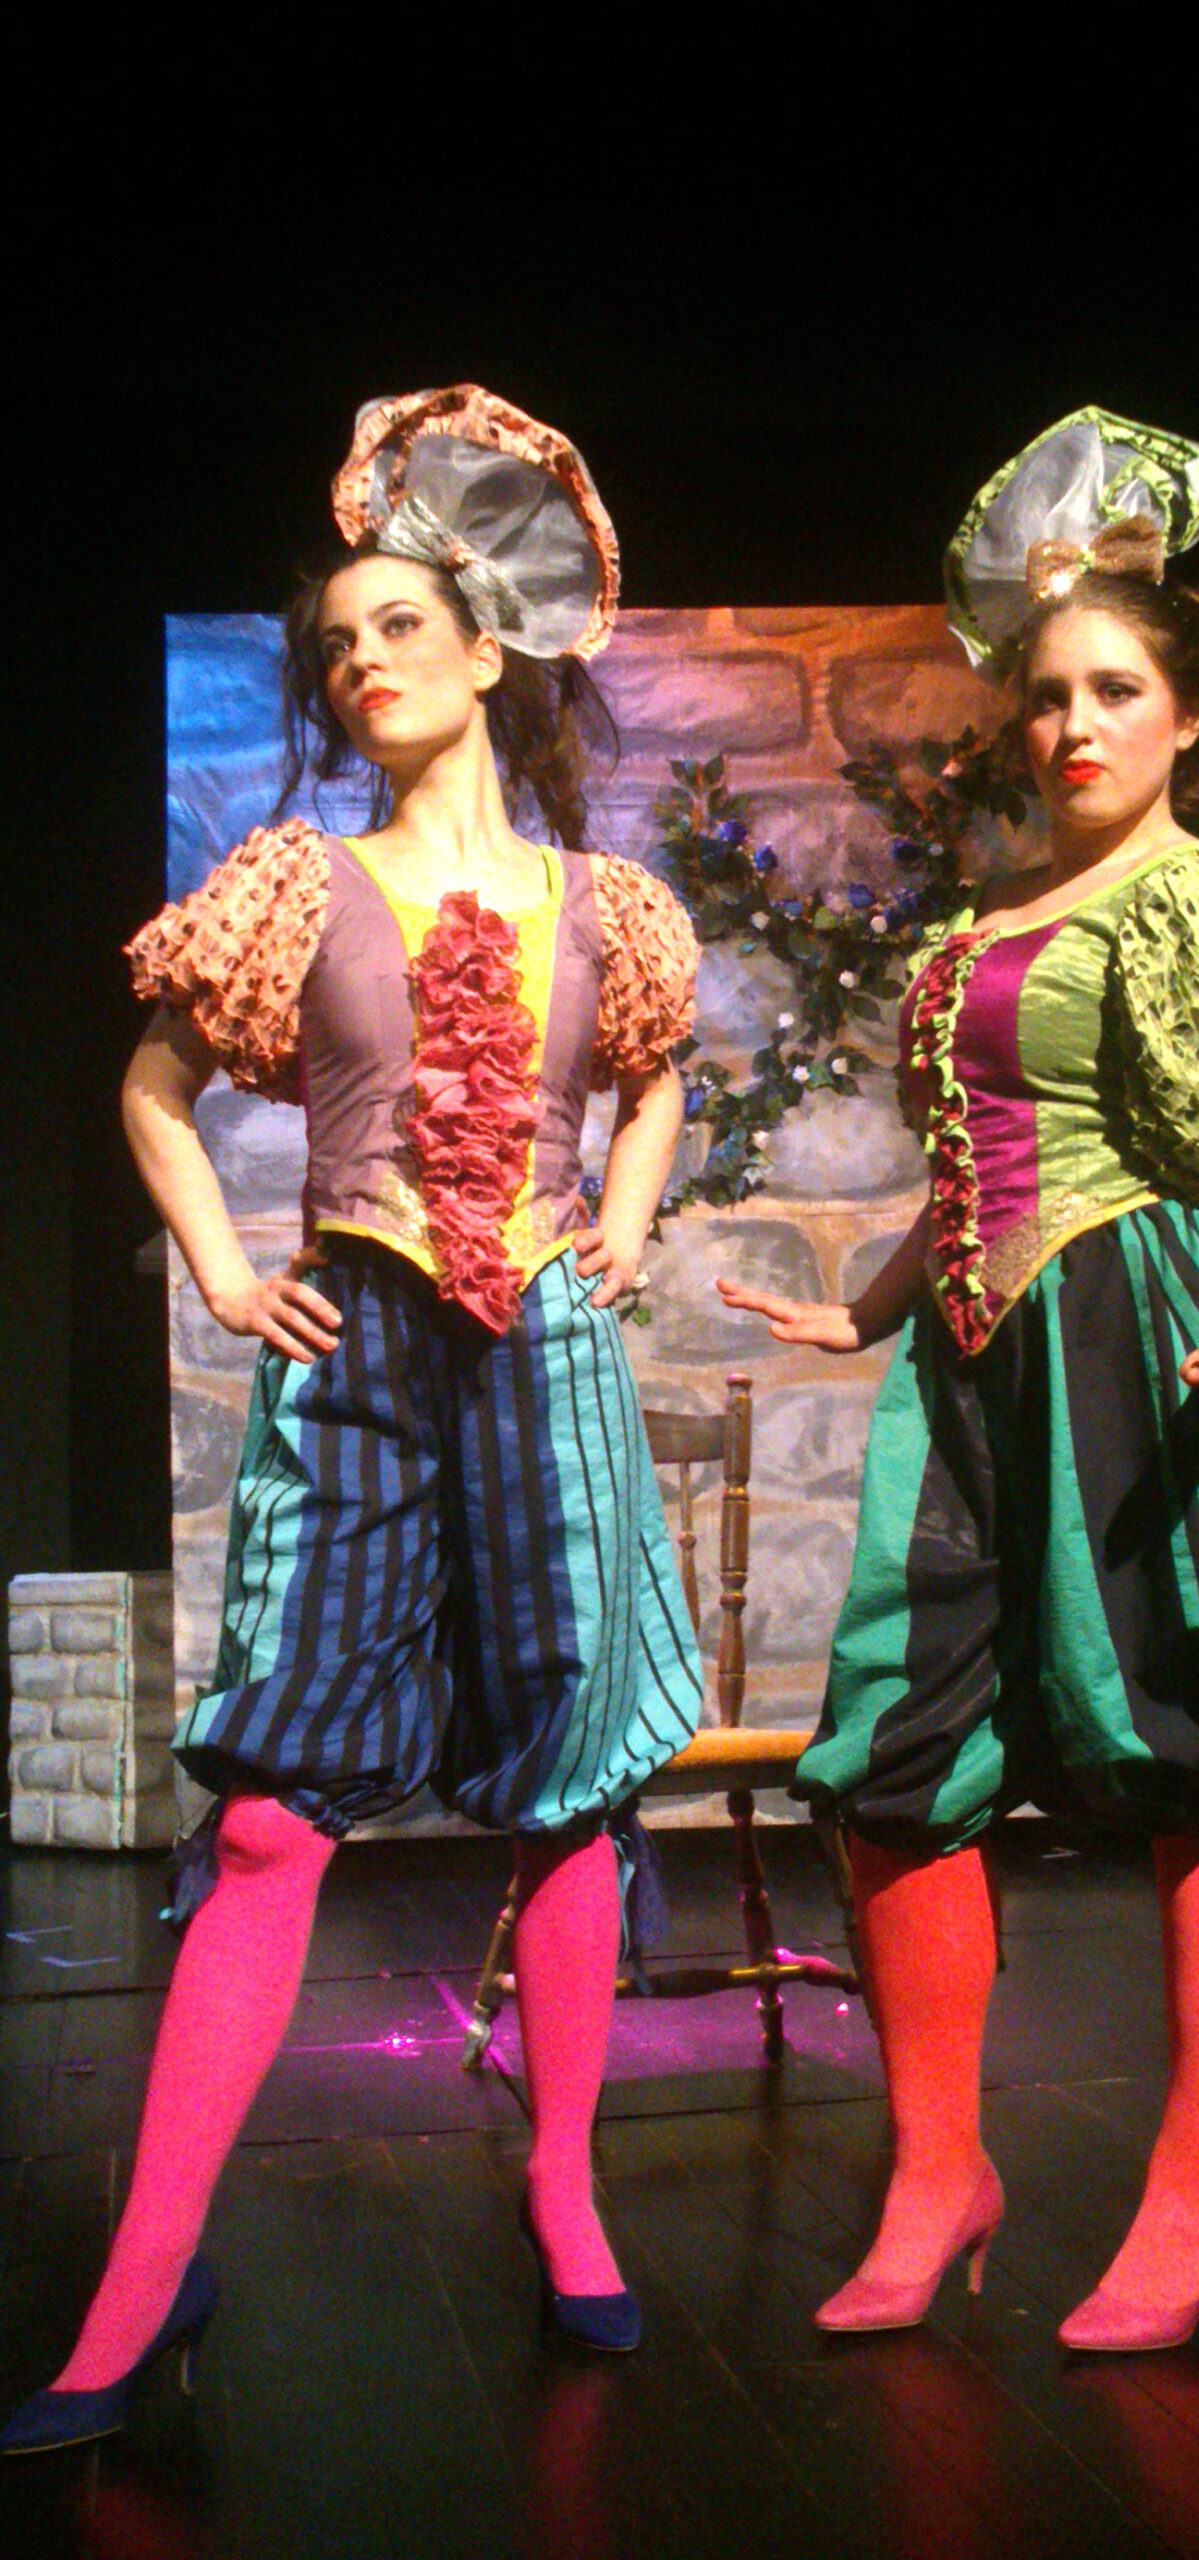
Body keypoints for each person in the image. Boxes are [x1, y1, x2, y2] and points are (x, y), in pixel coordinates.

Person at [3, 385, 702, 2451]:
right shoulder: (294, 882)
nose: (361, 663)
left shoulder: (607, 902)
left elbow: (654, 1072)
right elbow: (153, 1084)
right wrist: (227, 1269)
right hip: (363, 1366)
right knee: (266, 1813)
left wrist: (627, 1222)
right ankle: (146, 2270)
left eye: (398, 627)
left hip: (550, 1360)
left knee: (567, 1790)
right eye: (336, 646)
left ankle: (562, 2184)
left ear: (487, 648)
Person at [719, 409, 1199, 2352]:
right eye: (1050, 691)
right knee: (896, 1755)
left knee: (1192, 1738)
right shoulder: (985, 928)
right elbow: (970, 1172)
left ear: (1192, 714)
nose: (1073, 721)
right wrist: (868, 1310)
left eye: (1116, 689)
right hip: (976, 1372)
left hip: (1154, 1347)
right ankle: (941, 2170)